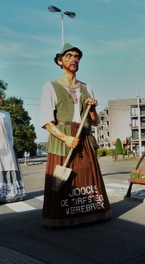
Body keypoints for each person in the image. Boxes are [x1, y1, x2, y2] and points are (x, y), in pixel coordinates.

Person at [40, 43, 112, 227]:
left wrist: (93, 108)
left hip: (84, 136)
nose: (74, 59)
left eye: (77, 56)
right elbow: (48, 121)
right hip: (62, 137)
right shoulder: (50, 87)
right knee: (62, 179)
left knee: (87, 175)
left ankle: (91, 211)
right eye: (69, 56)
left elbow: (95, 121)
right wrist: (65, 138)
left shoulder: (87, 87)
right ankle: (59, 217)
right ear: (59, 61)